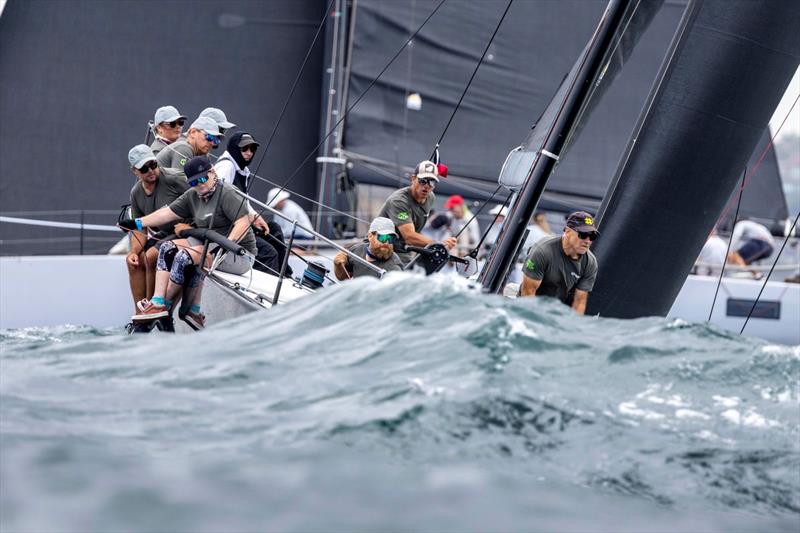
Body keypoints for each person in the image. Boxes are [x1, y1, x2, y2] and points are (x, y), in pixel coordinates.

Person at [119, 157, 258, 324]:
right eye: (193, 183)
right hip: (209, 245)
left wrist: (226, 245)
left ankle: (168, 308)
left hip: (239, 253)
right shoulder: (193, 195)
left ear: (212, 172)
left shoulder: (227, 193)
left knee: (183, 257)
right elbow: (167, 213)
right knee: (166, 248)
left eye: (202, 179)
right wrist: (137, 222)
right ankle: (158, 302)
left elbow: (243, 223)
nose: (199, 185)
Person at [125, 144, 188, 311]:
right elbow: (140, 228)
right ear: (135, 171)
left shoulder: (174, 178)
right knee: (134, 260)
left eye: (153, 164)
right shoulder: (136, 192)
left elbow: (201, 193)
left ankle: (154, 305)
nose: (151, 170)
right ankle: (140, 312)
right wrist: (133, 252)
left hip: (187, 229)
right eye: (144, 168)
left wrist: (191, 224)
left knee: (151, 255)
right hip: (167, 232)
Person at [215, 132, 287, 274]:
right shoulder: (226, 167)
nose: (249, 153)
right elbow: (219, 199)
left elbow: (242, 199)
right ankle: (269, 288)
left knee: (274, 230)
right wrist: (245, 218)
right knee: (268, 252)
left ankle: (283, 274)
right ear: (235, 149)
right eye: (244, 149)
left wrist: (254, 216)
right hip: (228, 227)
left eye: (252, 149)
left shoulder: (242, 170)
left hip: (239, 221)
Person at [377, 160, 456, 265]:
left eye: (432, 182)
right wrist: (439, 244)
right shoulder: (399, 201)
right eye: (423, 181)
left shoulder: (430, 198)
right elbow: (409, 236)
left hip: (404, 250)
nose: (427, 186)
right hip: (381, 247)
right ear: (413, 179)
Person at [519, 211, 599, 315]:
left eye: (592, 236)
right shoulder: (543, 251)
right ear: (567, 231)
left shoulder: (590, 262)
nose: (588, 241)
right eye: (583, 235)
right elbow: (527, 293)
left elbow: (579, 302)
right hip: (531, 306)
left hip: (558, 311)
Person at [333, 217, 404, 280]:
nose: (386, 243)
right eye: (383, 237)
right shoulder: (357, 250)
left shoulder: (394, 266)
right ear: (370, 236)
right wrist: (338, 265)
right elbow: (342, 277)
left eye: (391, 238)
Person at [156, 116, 223, 170]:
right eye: (209, 137)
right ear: (193, 132)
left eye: (215, 140)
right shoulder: (184, 148)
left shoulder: (202, 153)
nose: (212, 143)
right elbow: (179, 182)